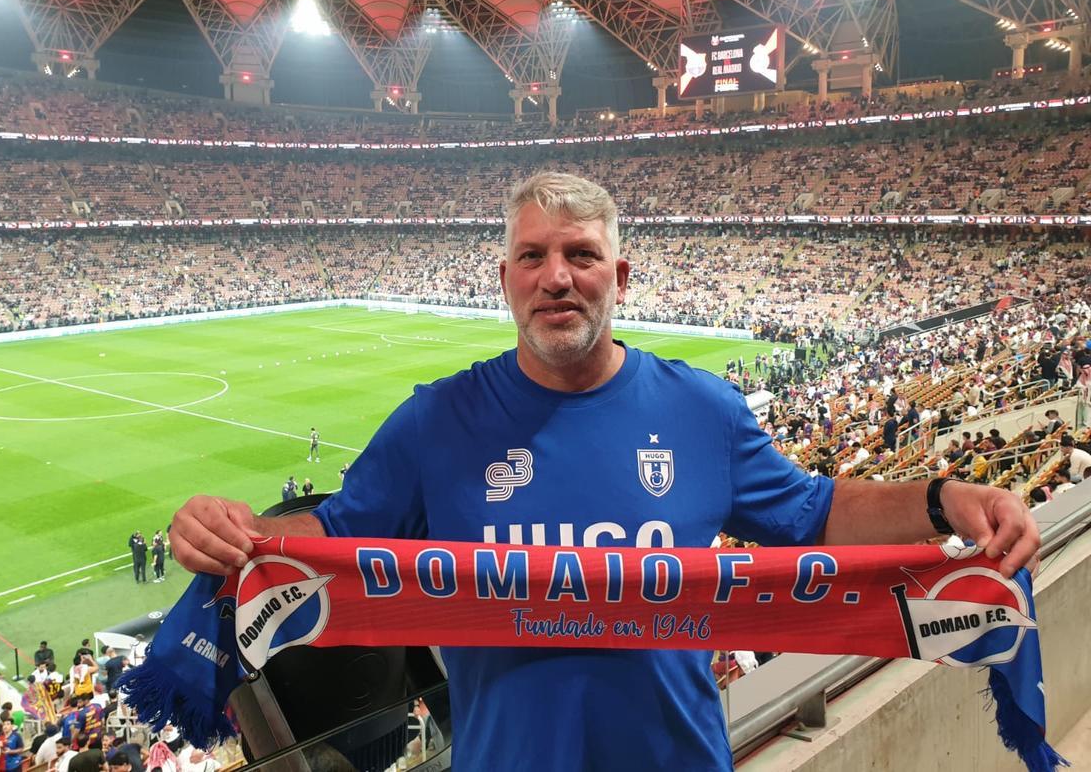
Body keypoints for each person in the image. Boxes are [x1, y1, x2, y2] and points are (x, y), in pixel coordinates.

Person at [168, 172, 1040, 771]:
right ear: (504, 279)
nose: (558, 278)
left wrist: (943, 497)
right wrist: (230, 530)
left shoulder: (701, 409)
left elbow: (813, 511)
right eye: (534, 257)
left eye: (581, 255)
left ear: (618, 274)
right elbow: (329, 538)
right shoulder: (437, 421)